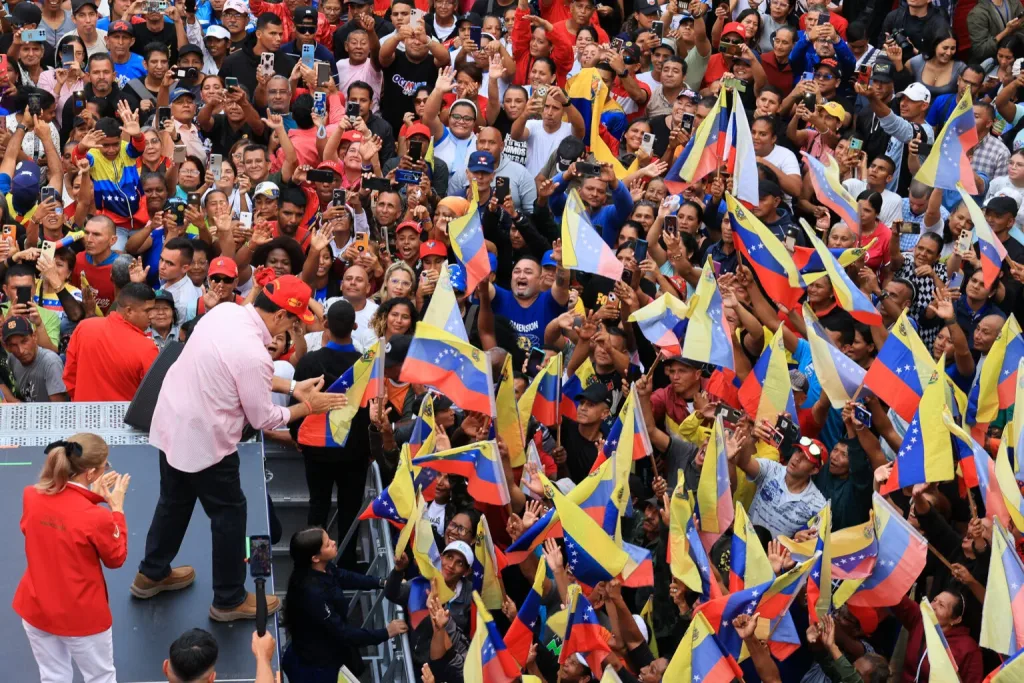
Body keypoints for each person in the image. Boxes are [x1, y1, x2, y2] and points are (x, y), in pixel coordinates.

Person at [132, 276, 347, 621]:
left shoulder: (225, 312)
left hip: (173, 421)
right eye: (293, 321)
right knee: (230, 514)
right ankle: (229, 599)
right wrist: (310, 406)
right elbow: (263, 417)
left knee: (174, 500)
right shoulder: (252, 353)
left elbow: (239, 372)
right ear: (279, 316)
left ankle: (151, 573)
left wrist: (293, 387)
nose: (292, 328)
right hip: (207, 441)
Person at [14, 434, 130, 683]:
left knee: (54, 677)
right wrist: (116, 510)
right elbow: (116, 557)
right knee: (100, 677)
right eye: (104, 466)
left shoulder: (31, 496)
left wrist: (93, 497)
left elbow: (49, 524)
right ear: (90, 473)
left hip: (37, 610)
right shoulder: (96, 518)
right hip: (82, 618)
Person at [282, 528, 408, 682]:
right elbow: (343, 633)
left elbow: (344, 576)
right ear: (315, 558)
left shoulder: (323, 568)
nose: (334, 543)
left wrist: (381, 582)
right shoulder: (312, 594)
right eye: (328, 544)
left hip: (324, 653)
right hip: (315, 668)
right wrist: (386, 632)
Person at [62, 283, 160, 401]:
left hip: (84, 414)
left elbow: (69, 379)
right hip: (123, 417)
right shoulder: (147, 348)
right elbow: (153, 397)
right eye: (148, 311)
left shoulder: (84, 327)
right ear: (129, 311)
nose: (152, 316)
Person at [2, 315, 67, 402]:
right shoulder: (13, 358)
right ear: (7, 347)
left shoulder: (51, 363)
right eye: (14, 345)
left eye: (24, 341)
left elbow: (59, 410)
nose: (21, 350)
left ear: (34, 336)